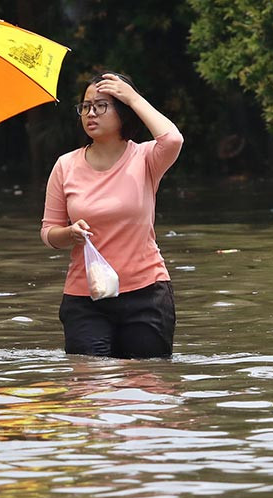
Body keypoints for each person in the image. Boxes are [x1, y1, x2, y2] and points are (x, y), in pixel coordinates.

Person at [40, 72, 183, 359]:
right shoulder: (65, 166)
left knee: (145, 388)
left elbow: (173, 139)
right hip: (85, 299)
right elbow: (48, 232)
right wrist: (69, 234)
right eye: (85, 106)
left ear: (123, 111)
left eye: (101, 106)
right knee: (91, 390)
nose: (90, 113)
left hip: (146, 293)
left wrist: (133, 96)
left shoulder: (145, 158)